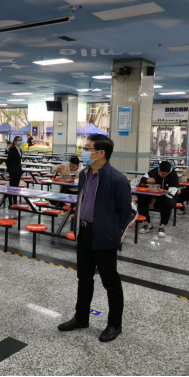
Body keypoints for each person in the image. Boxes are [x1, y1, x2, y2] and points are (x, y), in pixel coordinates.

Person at [58, 135, 135, 343]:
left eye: (87, 148)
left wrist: (113, 233)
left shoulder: (117, 179)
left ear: (101, 153)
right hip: (84, 233)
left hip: (104, 237)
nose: (83, 151)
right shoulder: (84, 174)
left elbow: (127, 212)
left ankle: (114, 324)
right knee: (84, 279)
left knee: (110, 282)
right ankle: (81, 318)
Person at [138, 161, 179, 237]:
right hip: (154, 196)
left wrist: (154, 200)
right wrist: (147, 180)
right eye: (159, 172)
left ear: (169, 172)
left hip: (167, 198)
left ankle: (163, 225)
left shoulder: (174, 176)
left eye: (163, 174)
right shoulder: (154, 171)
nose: (160, 175)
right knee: (141, 198)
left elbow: (170, 194)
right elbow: (142, 179)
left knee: (168, 202)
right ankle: (147, 223)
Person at [6, 135, 23, 208]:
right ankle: (10, 202)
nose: (20, 141)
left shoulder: (20, 149)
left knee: (16, 187)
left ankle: (15, 202)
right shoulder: (12, 149)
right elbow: (9, 161)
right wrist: (9, 170)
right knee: (11, 187)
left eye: (21, 140)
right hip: (13, 170)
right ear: (15, 142)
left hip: (18, 170)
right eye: (19, 140)